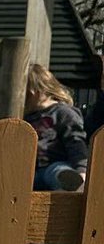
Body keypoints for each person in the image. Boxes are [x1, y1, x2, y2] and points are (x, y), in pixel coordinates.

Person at [25, 63, 89, 191]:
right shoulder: (27, 118)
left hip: (54, 164)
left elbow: (75, 142)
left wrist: (82, 169)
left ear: (35, 92)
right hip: (31, 172)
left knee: (56, 171)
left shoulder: (62, 113)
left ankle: (68, 182)